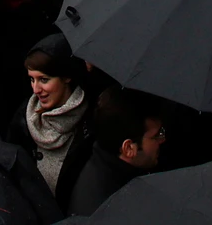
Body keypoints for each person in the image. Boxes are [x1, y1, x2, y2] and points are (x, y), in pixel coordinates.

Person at [12, 34, 92, 204]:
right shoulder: (22, 119)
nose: (36, 89)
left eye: (44, 80)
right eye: (32, 80)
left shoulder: (91, 121)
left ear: (67, 77)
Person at [66, 88, 167, 216]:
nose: (163, 139)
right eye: (157, 135)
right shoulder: (107, 210)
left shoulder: (104, 164)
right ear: (129, 148)